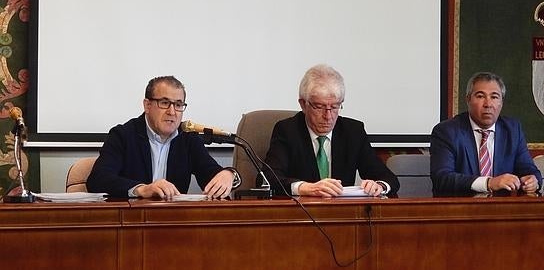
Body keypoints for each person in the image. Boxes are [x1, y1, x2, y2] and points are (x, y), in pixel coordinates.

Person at [87, 76, 240, 199]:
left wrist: (227, 174)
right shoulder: (123, 135)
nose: (172, 112)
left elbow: (210, 174)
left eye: (178, 105)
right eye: (165, 103)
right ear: (147, 105)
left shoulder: (188, 138)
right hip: (132, 221)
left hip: (173, 222)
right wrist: (142, 189)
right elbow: (98, 179)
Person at [264, 64, 399, 197]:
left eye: (335, 107)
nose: (328, 116)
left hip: (342, 214)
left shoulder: (353, 132)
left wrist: (379, 186)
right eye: (319, 107)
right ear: (303, 104)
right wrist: (304, 188)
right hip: (302, 213)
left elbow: (389, 179)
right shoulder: (287, 131)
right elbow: (267, 179)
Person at [430, 72, 542, 195]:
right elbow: (442, 178)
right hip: (460, 209)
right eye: (480, 96)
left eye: (494, 97)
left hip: (503, 210)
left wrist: (532, 181)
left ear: (501, 102)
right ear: (468, 99)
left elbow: (528, 169)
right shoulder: (447, 132)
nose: (488, 104)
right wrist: (488, 183)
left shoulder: (512, 130)